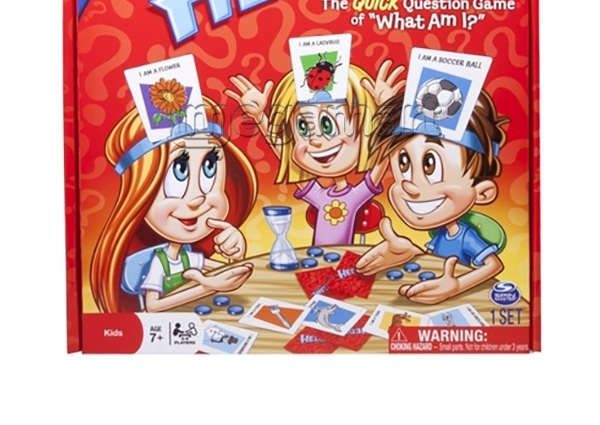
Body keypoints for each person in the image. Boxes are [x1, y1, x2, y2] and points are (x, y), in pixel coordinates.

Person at [90, 97, 257, 313]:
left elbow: (224, 271)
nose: (197, 199)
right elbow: (153, 306)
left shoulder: (186, 254)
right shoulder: (159, 262)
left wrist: (236, 256)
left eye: (209, 167)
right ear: (141, 192)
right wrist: (208, 286)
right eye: (179, 172)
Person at [226, 60, 404, 245]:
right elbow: (284, 153)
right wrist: (259, 117)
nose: (315, 141)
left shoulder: (356, 195)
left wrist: (388, 110)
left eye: (328, 126)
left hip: (344, 258)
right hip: (316, 256)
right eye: (302, 128)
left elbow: (382, 156)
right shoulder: (319, 195)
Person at [356, 87, 508, 304]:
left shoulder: (466, 236)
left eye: (430, 166)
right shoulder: (440, 234)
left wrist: (457, 286)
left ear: (483, 192)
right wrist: (409, 252)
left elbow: (494, 265)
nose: (410, 186)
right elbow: (433, 260)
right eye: (404, 164)